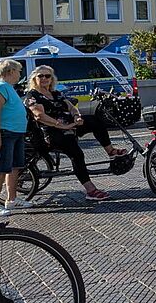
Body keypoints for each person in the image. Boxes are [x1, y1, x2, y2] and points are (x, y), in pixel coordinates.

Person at [25, 65, 121, 202]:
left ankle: (111, 151)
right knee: (76, 153)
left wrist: (77, 117)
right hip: (50, 131)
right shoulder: (33, 95)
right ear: (35, 78)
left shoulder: (55, 93)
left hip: (69, 125)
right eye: (41, 76)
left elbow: (71, 107)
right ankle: (90, 190)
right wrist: (62, 125)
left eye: (48, 76)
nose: (44, 78)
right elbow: (39, 116)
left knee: (95, 121)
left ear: (52, 79)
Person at [0, 59, 29, 217]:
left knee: (14, 166)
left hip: (15, 131)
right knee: (1, 168)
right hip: (5, 132)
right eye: (18, 71)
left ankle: (12, 199)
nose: (20, 74)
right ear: (11, 71)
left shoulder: (8, 87)